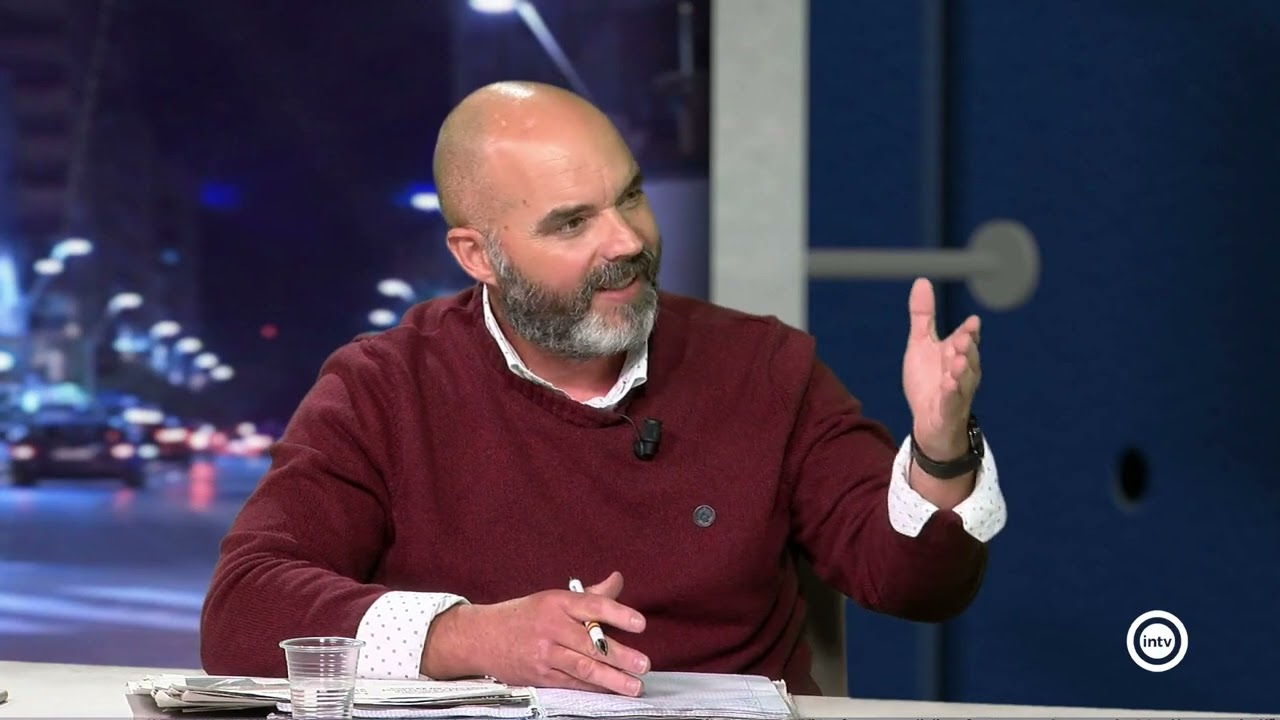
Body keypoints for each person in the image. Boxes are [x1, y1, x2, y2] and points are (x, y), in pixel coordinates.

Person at [199, 80, 1007, 698]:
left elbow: (917, 586)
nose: (627, 241)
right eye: (571, 223)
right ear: (478, 256)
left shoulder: (764, 366)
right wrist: (469, 637)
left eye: (630, 197)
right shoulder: (384, 386)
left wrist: (941, 452)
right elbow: (244, 610)